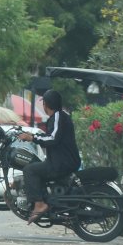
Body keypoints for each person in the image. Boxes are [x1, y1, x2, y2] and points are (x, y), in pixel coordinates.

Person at [18, 89, 80, 224]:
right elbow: (51, 136)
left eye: (44, 103)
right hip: (61, 161)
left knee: (29, 170)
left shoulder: (58, 116)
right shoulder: (59, 117)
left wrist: (32, 138)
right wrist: (33, 135)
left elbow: (53, 138)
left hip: (62, 163)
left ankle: (39, 204)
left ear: (46, 104)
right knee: (36, 167)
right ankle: (44, 201)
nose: (43, 106)